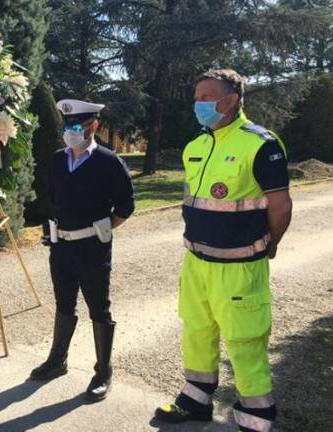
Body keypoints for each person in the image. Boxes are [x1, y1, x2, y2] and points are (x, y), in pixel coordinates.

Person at [154, 69, 293, 432]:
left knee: (244, 339)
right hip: (196, 263)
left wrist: (270, 245)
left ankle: (256, 413)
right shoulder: (195, 146)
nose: (197, 104)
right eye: (196, 97)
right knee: (196, 330)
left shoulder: (260, 144)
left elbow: (280, 207)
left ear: (230, 101)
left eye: (205, 97)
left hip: (240, 266)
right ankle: (196, 399)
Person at [31, 98, 135, 403]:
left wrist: (102, 230)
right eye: (68, 125)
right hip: (61, 247)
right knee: (64, 303)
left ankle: (103, 372)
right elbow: (51, 199)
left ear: (94, 126)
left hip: (92, 248)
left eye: (79, 125)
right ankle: (57, 360)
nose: (72, 131)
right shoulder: (57, 161)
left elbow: (126, 205)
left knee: (98, 307)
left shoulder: (108, 161)